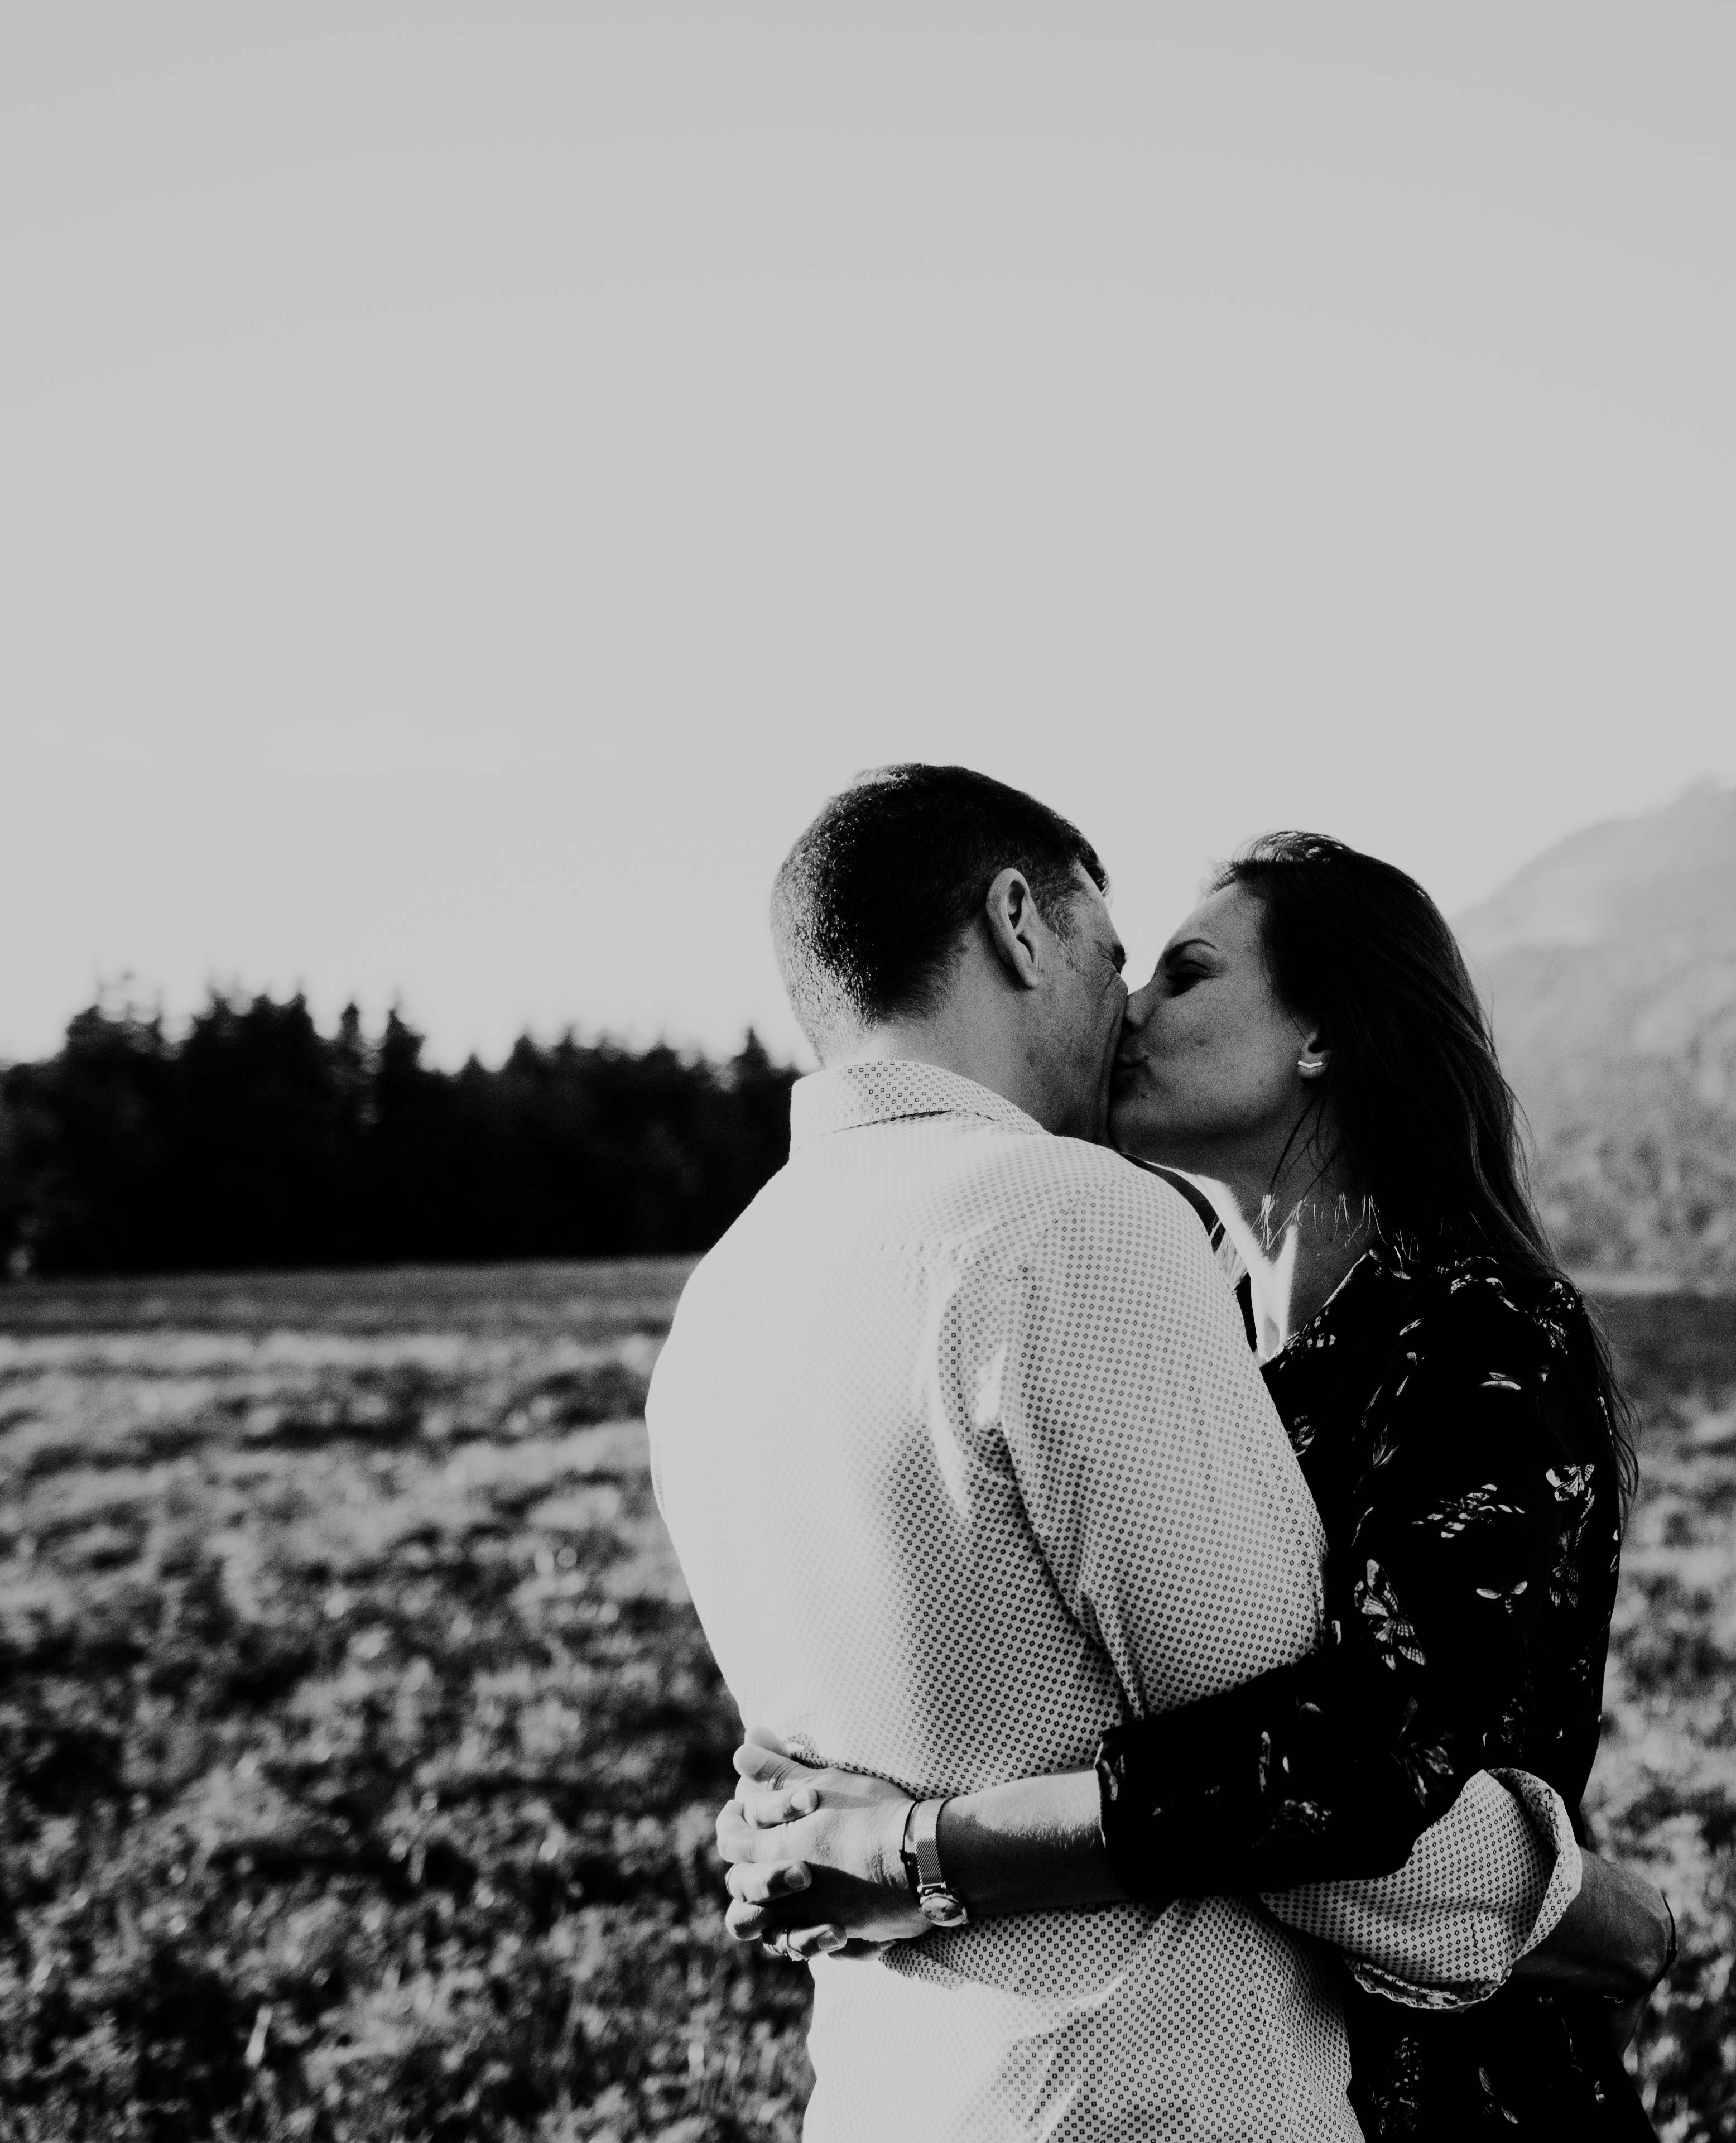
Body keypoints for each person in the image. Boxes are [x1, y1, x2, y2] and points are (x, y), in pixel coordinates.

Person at [650, 768, 1666, 2143]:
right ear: (1015, 926)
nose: (1125, 1009)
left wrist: (923, 1850)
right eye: (1126, 966)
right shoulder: (1157, 1299)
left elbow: (1354, 1771)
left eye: (1182, 977)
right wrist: (1580, 1912)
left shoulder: (1478, 1333)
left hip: (1455, 2096)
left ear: (1322, 1035)